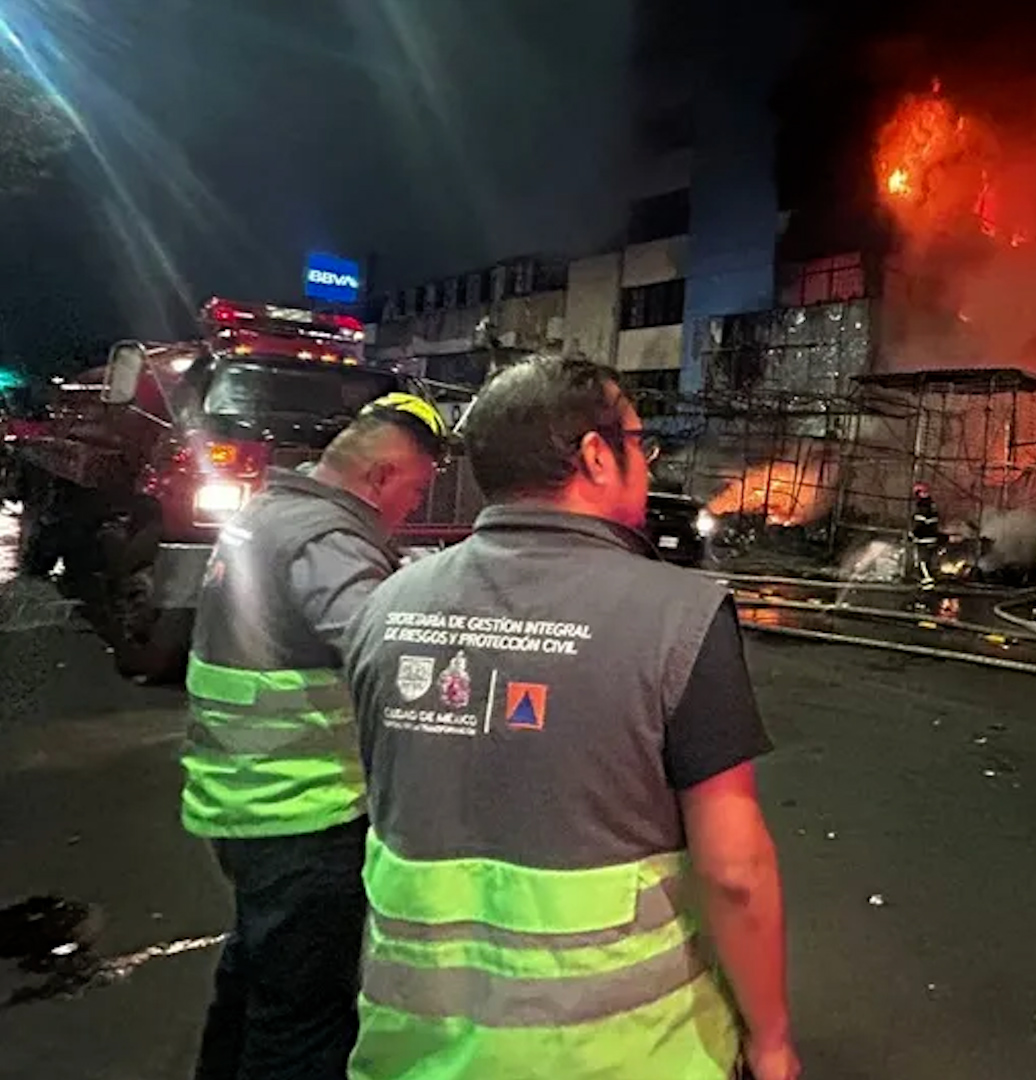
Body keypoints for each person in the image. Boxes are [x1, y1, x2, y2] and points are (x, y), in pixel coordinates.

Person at [339, 357, 797, 1080]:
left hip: (414, 1051)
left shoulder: (383, 607)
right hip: (623, 1053)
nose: (647, 465)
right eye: (638, 444)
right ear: (594, 456)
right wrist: (771, 1040)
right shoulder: (682, 618)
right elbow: (735, 872)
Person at [183, 393, 448, 1080]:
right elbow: (383, 651)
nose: (414, 508)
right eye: (417, 491)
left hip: (245, 798)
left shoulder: (270, 512)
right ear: (384, 476)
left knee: (254, 978)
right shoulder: (326, 540)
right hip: (301, 808)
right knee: (305, 1019)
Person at [910, 480, 941, 591]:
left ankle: (928, 585)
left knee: (922, 563)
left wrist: (913, 534)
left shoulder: (922, 508)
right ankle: (928, 584)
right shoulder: (932, 506)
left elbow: (919, 524)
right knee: (928, 562)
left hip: (924, 539)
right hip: (931, 539)